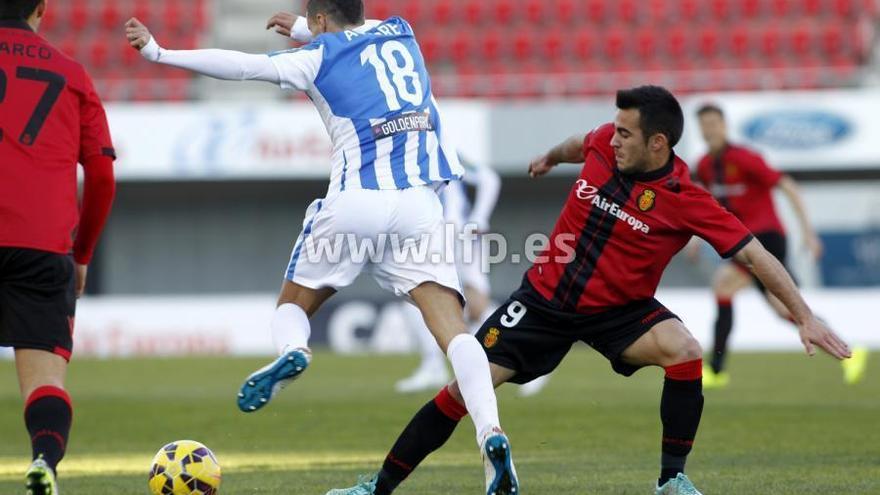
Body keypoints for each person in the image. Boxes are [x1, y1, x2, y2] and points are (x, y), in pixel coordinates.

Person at [326, 86, 852, 495]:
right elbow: (579, 143)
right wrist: (550, 157)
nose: (613, 137)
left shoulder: (687, 199)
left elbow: (756, 254)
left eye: (626, 133)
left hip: (620, 313)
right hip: (540, 304)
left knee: (686, 350)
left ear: (658, 144)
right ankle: (377, 486)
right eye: (615, 128)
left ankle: (672, 480)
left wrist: (803, 315)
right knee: (464, 389)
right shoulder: (603, 143)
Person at [124, 2, 518, 493]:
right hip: (421, 204)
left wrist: (160, 53)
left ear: (320, 20)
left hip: (356, 202)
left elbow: (245, 66)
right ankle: (491, 434)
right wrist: (304, 27)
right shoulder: (401, 31)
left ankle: (295, 351)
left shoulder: (315, 57)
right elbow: (348, 30)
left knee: (293, 306)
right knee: (456, 333)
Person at [1, 1, 117, 493]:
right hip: (42, 246)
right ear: (42, 8)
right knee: (45, 379)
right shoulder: (72, 74)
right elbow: (103, 175)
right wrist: (83, 254)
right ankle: (44, 460)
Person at [692, 104, 869, 388]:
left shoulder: (745, 158)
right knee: (781, 307)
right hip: (743, 242)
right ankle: (848, 352)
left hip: (766, 238)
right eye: (704, 124)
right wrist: (696, 237)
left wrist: (808, 233)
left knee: (730, 289)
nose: (709, 129)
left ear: (724, 126)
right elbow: (708, 205)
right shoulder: (704, 165)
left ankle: (715, 369)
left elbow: (788, 186)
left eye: (714, 123)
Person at [396, 156, 502, 394]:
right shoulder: (406, 149)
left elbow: (488, 178)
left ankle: (519, 352)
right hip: (432, 233)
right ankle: (434, 365)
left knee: (474, 305)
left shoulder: (442, 149)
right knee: (414, 296)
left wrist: (479, 217)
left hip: (457, 233)